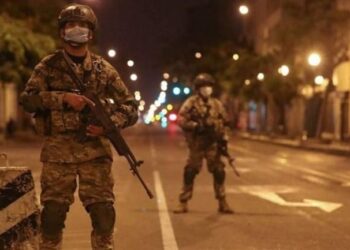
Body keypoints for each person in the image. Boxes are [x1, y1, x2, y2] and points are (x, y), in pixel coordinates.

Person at [20, 4, 138, 249]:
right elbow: (28, 100)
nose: (76, 29)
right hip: (57, 153)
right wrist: (62, 98)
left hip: (95, 152)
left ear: (91, 33)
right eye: (70, 25)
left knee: (103, 214)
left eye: (82, 25)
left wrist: (108, 126)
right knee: (52, 214)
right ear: (62, 32)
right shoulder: (48, 66)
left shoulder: (102, 69)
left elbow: (130, 107)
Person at [174, 73, 233, 214]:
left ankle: (222, 201)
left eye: (209, 86)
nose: (207, 89)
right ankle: (183, 201)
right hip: (197, 144)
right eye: (203, 87)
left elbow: (226, 123)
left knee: (219, 171)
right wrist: (195, 126)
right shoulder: (191, 103)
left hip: (213, 144)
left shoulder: (217, 104)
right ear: (198, 89)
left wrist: (224, 138)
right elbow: (181, 119)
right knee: (190, 171)